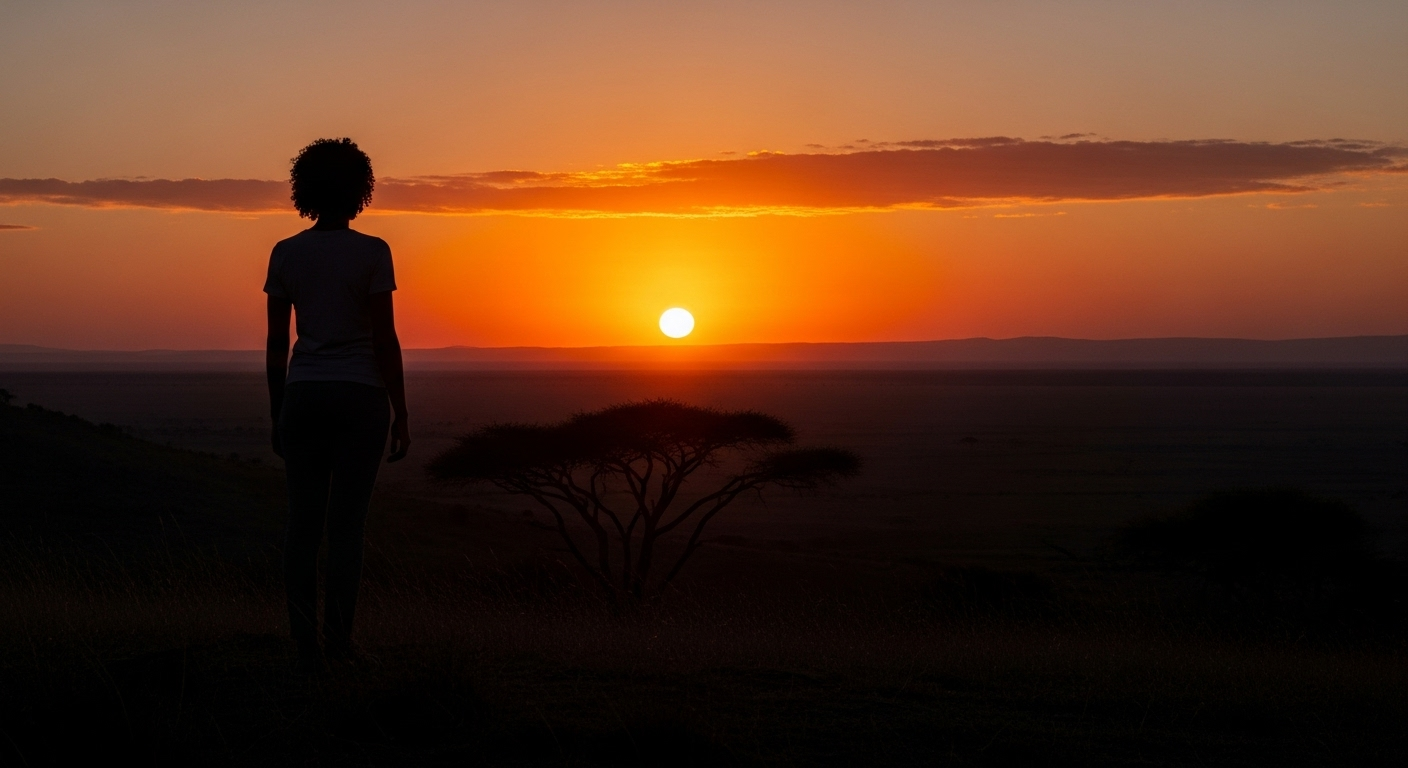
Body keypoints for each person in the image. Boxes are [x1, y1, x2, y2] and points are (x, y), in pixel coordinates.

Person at [264, 138, 410, 668]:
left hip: (303, 393)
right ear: (360, 191)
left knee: (302, 525)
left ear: (304, 190)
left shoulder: (287, 252)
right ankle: (340, 646)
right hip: (361, 395)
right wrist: (402, 410)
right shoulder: (373, 252)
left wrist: (278, 410)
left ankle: (304, 646)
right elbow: (383, 340)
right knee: (347, 527)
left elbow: (278, 343)